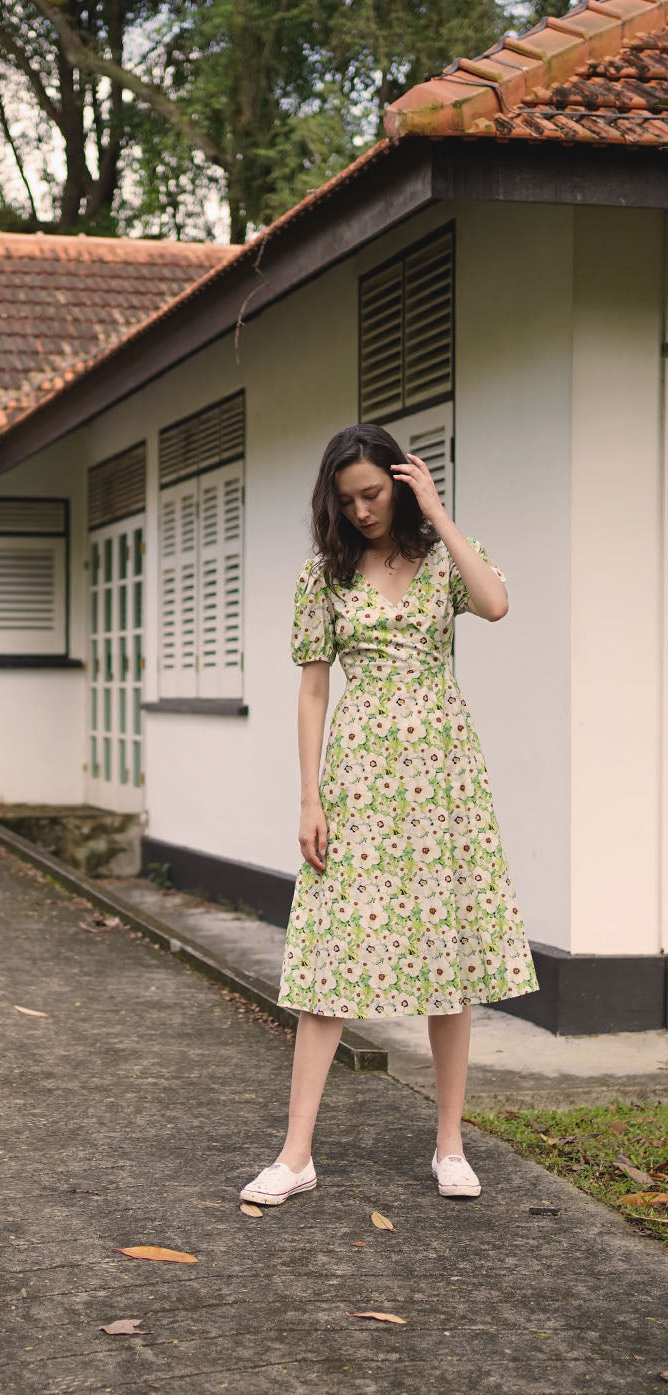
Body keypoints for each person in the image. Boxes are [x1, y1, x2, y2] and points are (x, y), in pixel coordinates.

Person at [240, 423, 540, 1207]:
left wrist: (439, 517)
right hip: (360, 775)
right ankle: (296, 1153)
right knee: (328, 957)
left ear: (400, 486)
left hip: (444, 777)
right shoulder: (325, 575)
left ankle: (449, 1145)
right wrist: (309, 795)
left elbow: (498, 604)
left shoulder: (442, 558)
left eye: (373, 494)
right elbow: (312, 687)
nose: (362, 511)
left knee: (449, 958)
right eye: (347, 500)